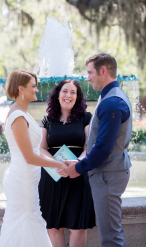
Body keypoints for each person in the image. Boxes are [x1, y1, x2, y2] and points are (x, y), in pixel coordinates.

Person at [64, 53, 132, 247]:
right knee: (110, 233)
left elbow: (103, 148)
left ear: (103, 70)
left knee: (111, 237)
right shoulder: (111, 97)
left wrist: (78, 168)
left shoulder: (112, 102)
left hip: (108, 176)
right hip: (109, 173)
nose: (87, 77)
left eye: (90, 72)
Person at [0, 70, 68, 247]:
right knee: (25, 222)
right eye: (33, 86)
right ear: (21, 89)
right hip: (22, 178)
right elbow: (29, 157)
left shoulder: (21, 113)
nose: (37, 90)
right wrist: (59, 164)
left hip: (27, 178)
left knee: (28, 221)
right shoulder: (18, 116)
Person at [39, 79, 96, 247]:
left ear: (77, 97)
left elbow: (89, 147)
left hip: (78, 174)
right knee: (54, 226)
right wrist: (59, 165)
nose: (68, 95)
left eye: (73, 92)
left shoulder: (86, 118)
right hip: (52, 175)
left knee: (78, 226)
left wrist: (77, 163)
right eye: (65, 91)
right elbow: (41, 148)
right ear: (58, 94)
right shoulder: (47, 119)